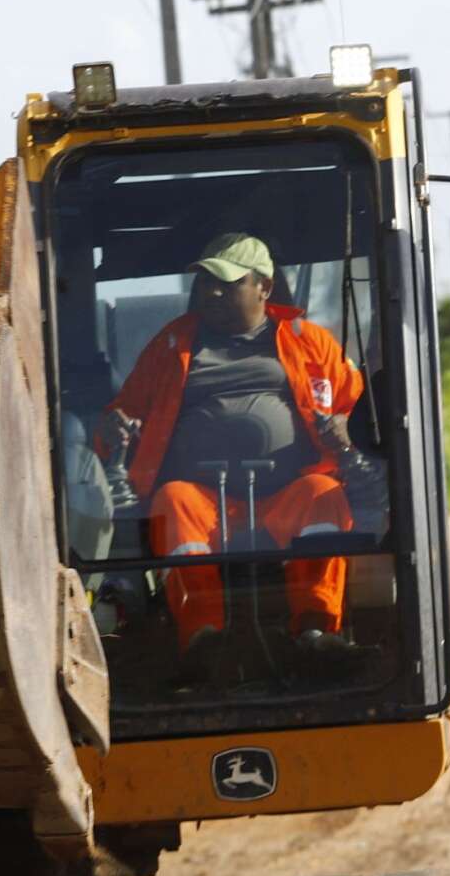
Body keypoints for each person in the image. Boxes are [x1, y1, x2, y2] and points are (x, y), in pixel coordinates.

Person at [97, 233, 369, 677]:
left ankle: (317, 632)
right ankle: (204, 638)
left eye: (226, 282)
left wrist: (344, 428)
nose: (212, 292)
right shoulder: (172, 345)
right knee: (173, 501)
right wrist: (114, 426)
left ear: (263, 287)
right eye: (205, 283)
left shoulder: (310, 341)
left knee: (324, 494)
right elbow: (119, 416)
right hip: (205, 500)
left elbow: (357, 413)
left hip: (287, 493)